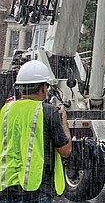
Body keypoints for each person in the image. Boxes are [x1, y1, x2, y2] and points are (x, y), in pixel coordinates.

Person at [0, 60, 72, 203]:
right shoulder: (47, 111)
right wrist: (63, 121)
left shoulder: (6, 110)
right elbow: (65, 151)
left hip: (6, 186)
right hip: (37, 188)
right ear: (44, 87)